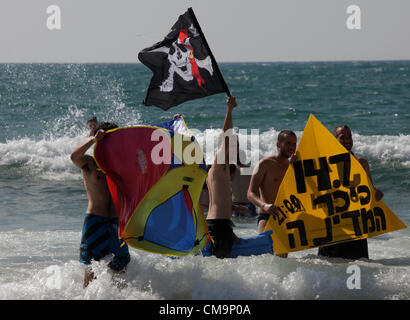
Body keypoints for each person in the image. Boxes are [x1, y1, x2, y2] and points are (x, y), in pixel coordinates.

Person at [71, 122, 130, 288]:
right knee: (91, 267)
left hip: (117, 223)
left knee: (121, 265)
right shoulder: (90, 163)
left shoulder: (121, 165)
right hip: (95, 221)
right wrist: (93, 141)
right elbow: (74, 157)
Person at [317, 125, 384, 260]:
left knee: (359, 267)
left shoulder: (361, 163)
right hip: (333, 226)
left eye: (350, 137)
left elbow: (371, 191)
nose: (348, 140)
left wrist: (376, 194)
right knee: (327, 269)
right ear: (334, 140)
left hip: (356, 226)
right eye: (343, 137)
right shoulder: (323, 164)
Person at [247, 130, 297, 257]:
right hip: (266, 216)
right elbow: (250, 193)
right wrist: (264, 206)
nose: (291, 147)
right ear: (278, 144)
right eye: (288, 143)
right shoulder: (265, 164)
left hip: (286, 219)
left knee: (281, 261)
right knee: (265, 257)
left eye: (294, 144)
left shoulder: (294, 166)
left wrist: (296, 169)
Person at [205, 96, 240, 258]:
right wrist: (229, 111)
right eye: (234, 144)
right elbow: (226, 137)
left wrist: (230, 228)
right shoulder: (218, 166)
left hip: (221, 225)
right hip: (218, 226)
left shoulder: (223, 169)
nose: (236, 147)